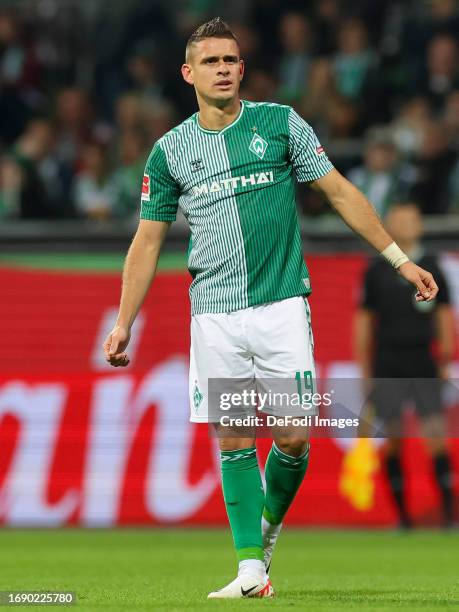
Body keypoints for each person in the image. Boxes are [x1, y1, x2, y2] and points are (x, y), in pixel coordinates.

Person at [103, 18, 439, 600]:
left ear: (243, 68)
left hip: (281, 305)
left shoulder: (280, 125)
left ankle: (264, 534)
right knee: (233, 439)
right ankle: (250, 571)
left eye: (231, 60)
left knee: (294, 436)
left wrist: (398, 258)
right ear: (189, 73)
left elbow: (337, 191)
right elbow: (148, 239)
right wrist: (123, 319)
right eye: (211, 62)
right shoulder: (168, 153)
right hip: (214, 313)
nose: (225, 69)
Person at [355, 203, 456, 528]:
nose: (406, 225)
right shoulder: (377, 269)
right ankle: (403, 517)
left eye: (412, 219)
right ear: (388, 225)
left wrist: (444, 358)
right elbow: (364, 320)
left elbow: (443, 315)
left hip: (422, 359)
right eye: (399, 219)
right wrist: (365, 367)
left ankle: (448, 516)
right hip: (388, 360)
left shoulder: (432, 266)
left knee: (435, 436)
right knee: (394, 436)